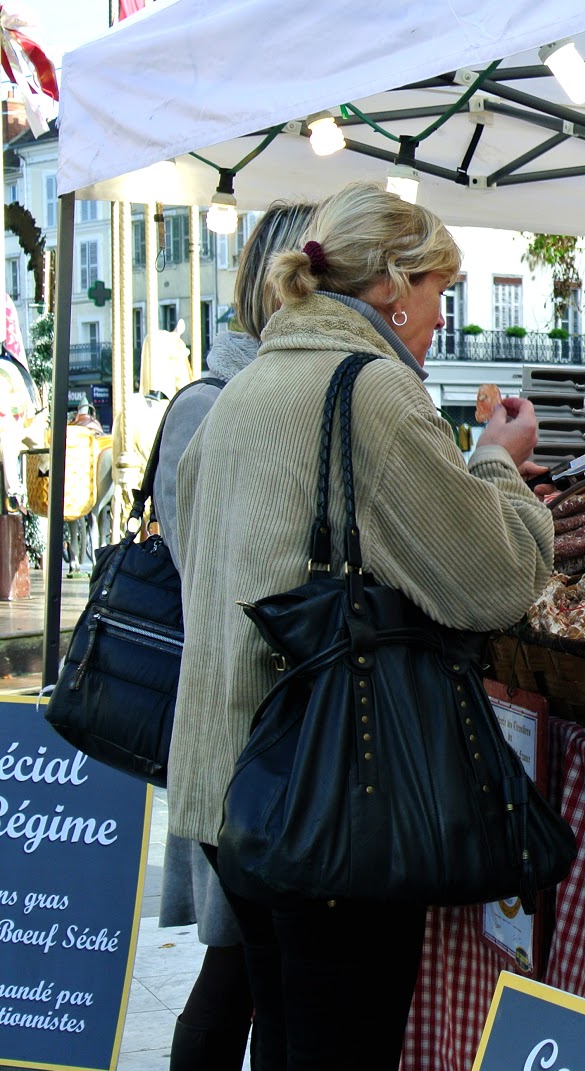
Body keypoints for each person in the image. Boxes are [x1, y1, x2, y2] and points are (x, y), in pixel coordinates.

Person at [167, 181, 556, 1071]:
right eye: (439, 294)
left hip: (237, 791)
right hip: (332, 791)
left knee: (287, 1036)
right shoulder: (371, 388)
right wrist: (498, 464)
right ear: (393, 285)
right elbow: (493, 581)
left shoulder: (246, 384)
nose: (439, 320)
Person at [151, 199, 315, 1071]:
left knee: (247, 974)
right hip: (236, 722)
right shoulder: (213, 405)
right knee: (235, 975)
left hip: (258, 733)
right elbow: (208, 582)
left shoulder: (271, 395)